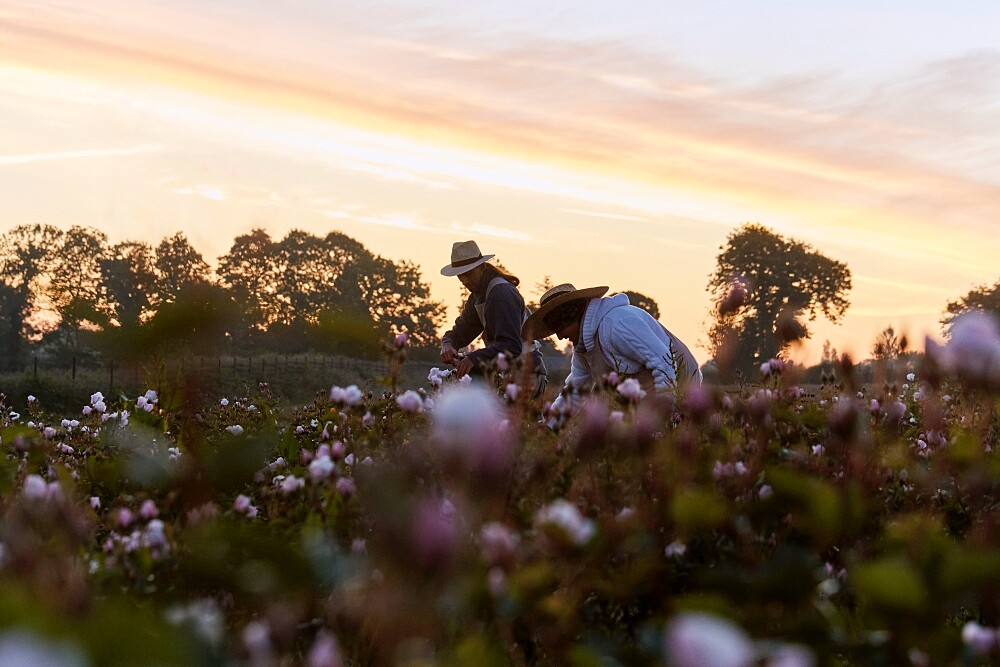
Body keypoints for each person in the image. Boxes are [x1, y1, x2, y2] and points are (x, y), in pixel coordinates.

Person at [521, 283, 701, 411]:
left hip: (682, 389)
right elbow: (575, 393)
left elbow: (664, 363)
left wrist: (665, 415)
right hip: (644, 403)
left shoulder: (616, 325)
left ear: (574, 315)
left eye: (561, 327)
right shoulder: (584, 350)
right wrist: (549, 426)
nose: (560, 336)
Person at [439, 240, 547, 397]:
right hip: (509, 375)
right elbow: (460, 333)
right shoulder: (478, 296)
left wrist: (474, 358)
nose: (465, 281)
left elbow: (512, 345)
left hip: (526, 375)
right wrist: (448, 345)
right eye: (461, 276)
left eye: (468, 274)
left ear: (481, 267)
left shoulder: (500, 294)